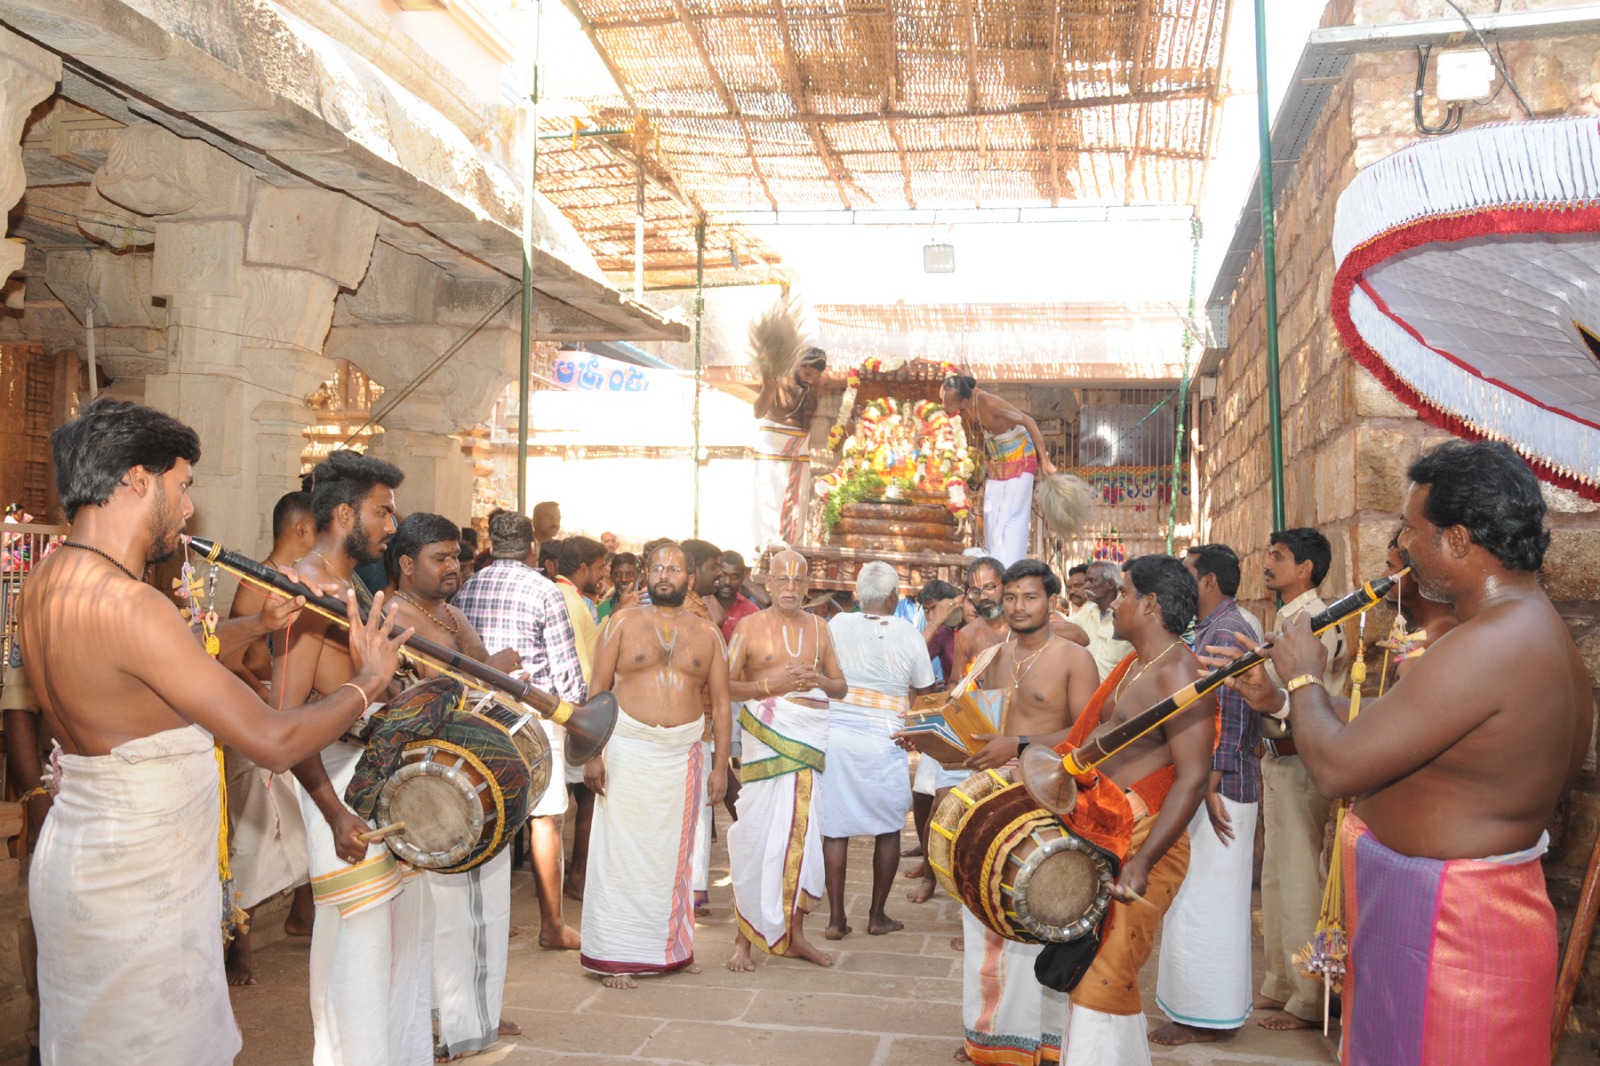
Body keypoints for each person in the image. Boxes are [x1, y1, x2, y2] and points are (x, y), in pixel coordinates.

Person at [21, 400, 407, 1065]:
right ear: (137, 481)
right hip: (137, 887)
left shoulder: (49, 580)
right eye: (182, 485)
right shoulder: (132, 604)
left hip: (84, 863)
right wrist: (369, 680)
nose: (189, 507)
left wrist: (256, 626)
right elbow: (275, 741)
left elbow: (146, 667)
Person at [1211, 440, 1591, 1066]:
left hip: (1449, 934)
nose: (1404, 546)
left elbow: (1336, 768)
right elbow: (1388, 731)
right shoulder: (1527, 631)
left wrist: (1303, 675)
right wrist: (1281, 699)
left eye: (1412, 529)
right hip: (1446, 920)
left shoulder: (1488, 644)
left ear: (1458, 539)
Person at [272, 450, 437, 1066]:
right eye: (382, 512)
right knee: (360, 955)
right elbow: (287, 719)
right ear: (345, 515)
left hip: (377, 782)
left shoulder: (353, 585)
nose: (393, 525)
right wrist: (334, 811)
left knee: (399, 946)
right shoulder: (305, 590)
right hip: (341, 791)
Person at [1050, 555, 1213, 1065]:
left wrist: (1142, 862)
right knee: (1091, 969)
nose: (1113, 602)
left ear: (1150, 604)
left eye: (1123, 593)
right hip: (1104, 831)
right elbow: (1090, 739)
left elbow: (1193, 776)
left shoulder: (1180, 671)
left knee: (1105, 974)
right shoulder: (1135, 664)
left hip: (1146, 842)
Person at [383, 513, 525, 1059]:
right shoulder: (392, 615)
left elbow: (479, 675)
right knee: (440, 912)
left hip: (472, 775)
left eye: (456, 557)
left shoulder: (449, 612)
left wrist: (497, 670)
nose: (453, 566)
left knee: (484, 906)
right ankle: (441, 1021)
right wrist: (488, 670)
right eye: (440, 558)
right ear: (406, 563)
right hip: (432, 786)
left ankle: (476, 1012)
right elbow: (423, 694)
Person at [951, 559, 1099, 1066]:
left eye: (1030, 597)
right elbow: (979, 725)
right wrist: (932, 738)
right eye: (1011, 596)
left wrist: (1019, 744)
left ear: (1051, 601)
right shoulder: (992, 656)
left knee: (1044, 915)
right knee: (985, 914)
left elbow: (1088, 736)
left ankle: (1050, 1041)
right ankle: (992, 1038)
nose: (1018, 606)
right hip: (996, 799)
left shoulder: (1074, 658)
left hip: (1048, 798)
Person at [580, 542, 732, 988]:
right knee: (619, 854)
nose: (666, 574)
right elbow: (596, 691)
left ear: (690, 578)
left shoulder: (709, 634)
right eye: (659, 567)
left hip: (683, 754)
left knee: (675, 857)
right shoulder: (620, 623)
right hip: (628, 749)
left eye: (675, 569)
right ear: (647, 574)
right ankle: (614, 956)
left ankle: (673, 950)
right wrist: (593, 753)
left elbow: (722, 705)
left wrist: (720, 767)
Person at [453, 510, 588, 951]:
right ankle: (552, 926)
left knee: (487, 813)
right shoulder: (545, 590)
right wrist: (579, 714)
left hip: (480, 715)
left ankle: (489, 917)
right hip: (535, 716)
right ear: (532, 547)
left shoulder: (468, 586)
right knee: (544, 819)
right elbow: (566, 670)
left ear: (492, 546)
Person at [1150, 543, 1263, 1046]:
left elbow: (1232, 712)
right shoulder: (1216, 626)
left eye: (1188, 574)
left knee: (1207, 903)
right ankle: (1202, 1008)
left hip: (1220, 787)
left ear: (1209, 581)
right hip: (1215, 782)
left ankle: (1205, 1017)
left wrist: (1210, 782)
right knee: (1199, 899)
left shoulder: (1226, 630)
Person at [725, 549, 847, 971]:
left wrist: (820, 680)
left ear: (807, 586)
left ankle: (795, 935)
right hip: (766, 739)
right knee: (758, 836)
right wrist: (768, 685)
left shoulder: (820, 628)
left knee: (801, 837)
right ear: (769, 583)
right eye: (783, 579)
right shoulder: (749, 626)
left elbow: (841, 687)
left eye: (798, 580)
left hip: (807, 740)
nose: (790, 588)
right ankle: (743, 940)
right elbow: (722, 685)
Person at [220, 489, 319, 987]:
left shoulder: (301, 578)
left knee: (305, 822)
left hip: (286, 715)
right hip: (256, 717)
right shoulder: (258, 580)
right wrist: (264, 697)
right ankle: (239, 946)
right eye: (319, 529)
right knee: (253, 836)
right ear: (301, 529)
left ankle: (303, 914)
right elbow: (230, 656)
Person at [1253, 526, 1348, 1032]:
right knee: (1276, 875)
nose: (1268, 563)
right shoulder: (1288, 617)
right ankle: (1280, 981)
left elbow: (1307, 694)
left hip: (1302, 757)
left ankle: (1310, 999)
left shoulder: (1318, 621)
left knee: (1298, 876)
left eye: (1279, 556)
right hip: (1277, 757)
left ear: (1305, 568)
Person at [820, 562, 938, 942]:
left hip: (836, 736)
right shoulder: (908, 633)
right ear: (893, 597)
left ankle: (836, 920)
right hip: (885, 740)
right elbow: (925, 694)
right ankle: (877, 916)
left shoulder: (836, 625)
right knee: (888, 827)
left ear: (858, 594)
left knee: (835, 828)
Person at [905, 556, 1010, 905]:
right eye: (976, 590)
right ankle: (931, 878)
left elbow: (1076, 636)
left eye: (990, 587)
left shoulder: (1026, 625)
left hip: (1008, 734)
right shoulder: (966, 634)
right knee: (942, 809)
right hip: (966, 729)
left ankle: (979, 892)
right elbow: (954, 685)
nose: (983, 596)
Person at [939, 374, 1057, 566]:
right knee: (991, 516)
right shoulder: (961, 394)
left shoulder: (990, 403)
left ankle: (1008, 567)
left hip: (1021, 459)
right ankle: (995, 564)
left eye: (948, 403)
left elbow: (1029, 421)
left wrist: (1045, 461)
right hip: (998, 461)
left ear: (964, 401)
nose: (943, 406)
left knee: (1010, 518)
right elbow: (951, 377)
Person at [554, 535, 606, 901]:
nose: (603, 575)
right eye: (600, 567)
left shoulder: (567, 596)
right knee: (587, 796)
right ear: (584, 567)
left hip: (563, 708)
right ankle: (577, 877)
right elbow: (583, 664)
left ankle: (569, 874)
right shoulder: (572, 600)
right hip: (574, 710)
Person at [752, 347, 826, 549]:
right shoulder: (778, 381)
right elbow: (758, 412)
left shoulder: (817, 386)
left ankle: (791, 554)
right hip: (773, 453)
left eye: (816, 376)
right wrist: (767, 389)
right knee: (771, 507)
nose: (811, 379)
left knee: (797, 511)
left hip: (800, 454)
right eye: (807, 373)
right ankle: (767, 554)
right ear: (798, 365)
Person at [1382, 530, 1458, 679]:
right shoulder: (1426, 628)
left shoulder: (1440, 635)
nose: (1383, 576)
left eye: (1391, 567)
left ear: (1415, 572)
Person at [1069, 559, 1134, 680]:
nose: (1086, 586)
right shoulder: (1087, 612)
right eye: (1086, 581)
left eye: (1092, 581)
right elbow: (1066, 626)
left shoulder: (1128, 614)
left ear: (1110, 584)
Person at [715, 549, 761, 641]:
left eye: (734, 576)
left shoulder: (751, 612)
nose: (727, 582)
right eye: (723, 575)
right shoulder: (701, 604)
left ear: (743, 578)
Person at [596, 552, 641, 623]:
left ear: (640, 576)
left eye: (630, 574)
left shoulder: (652, 605)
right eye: (618, 575)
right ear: (611, 577)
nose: (624, 579)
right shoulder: (603, 608)